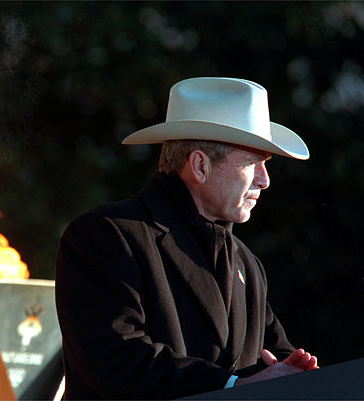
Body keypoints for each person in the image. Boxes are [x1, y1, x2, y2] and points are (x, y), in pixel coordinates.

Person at [54, 77, 318, 399]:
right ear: (200, 165)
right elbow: (116, 360)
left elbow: (271, 357)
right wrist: (234, 387)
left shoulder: (247, 264)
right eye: (253, 163)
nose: (265, 181)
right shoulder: (106, 235)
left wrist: (290, 375)